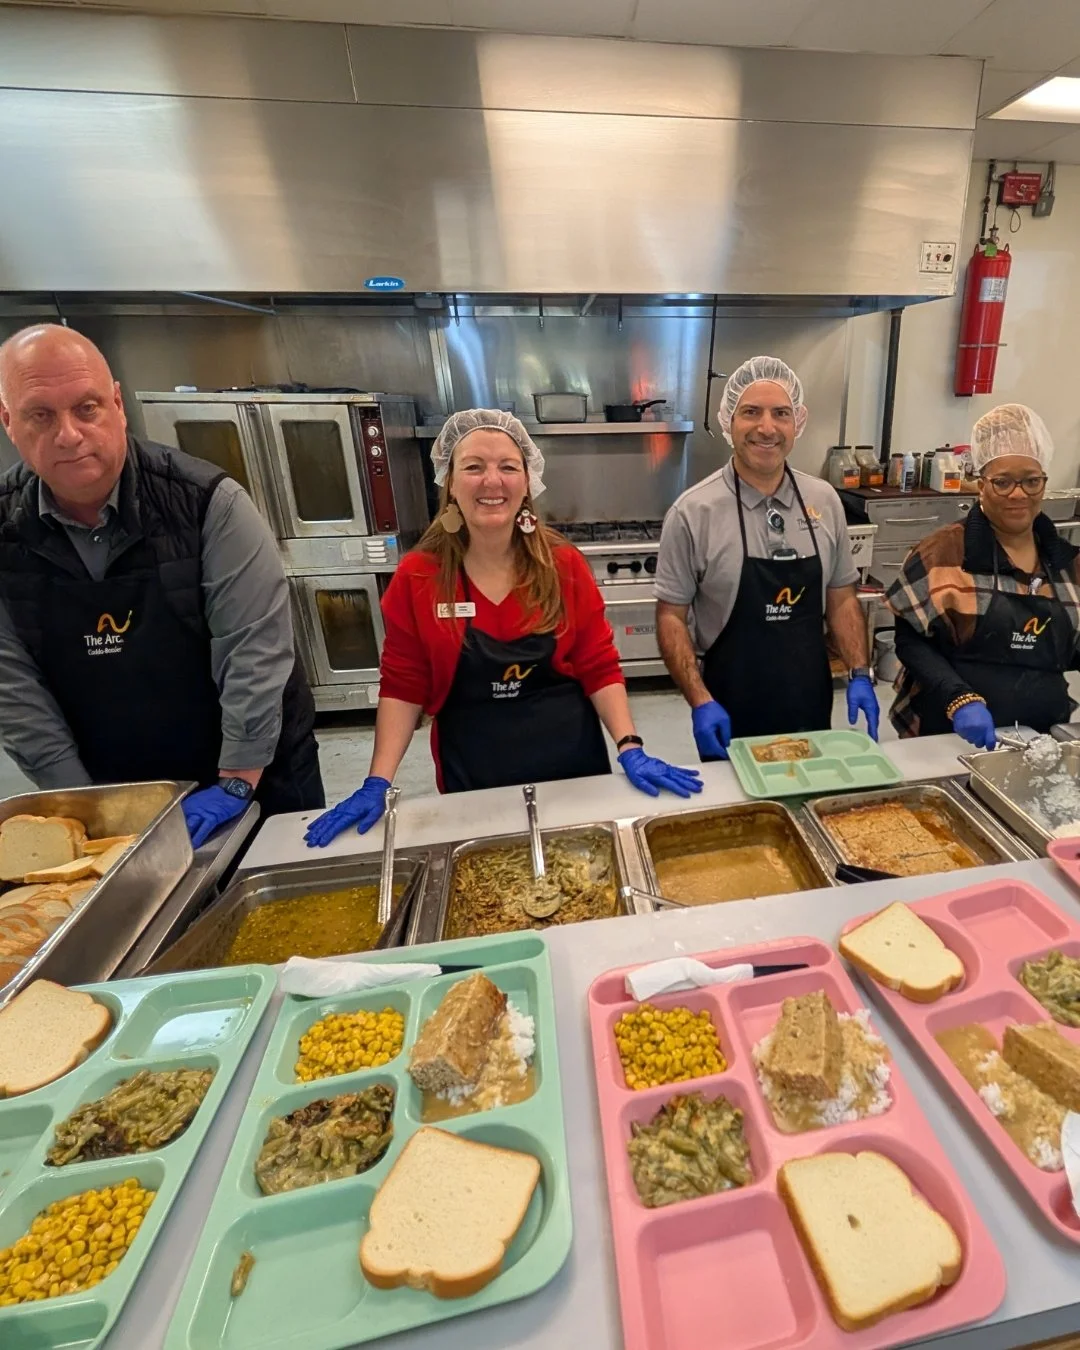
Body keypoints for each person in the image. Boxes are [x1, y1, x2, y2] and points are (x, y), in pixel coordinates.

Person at [305, 408, 700, 845]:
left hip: (571, 766)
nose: (492, 481)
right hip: (472, 772)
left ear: (527, 481)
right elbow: (403, 684)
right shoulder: (419, 576)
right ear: (449, 482)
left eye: (508, 467)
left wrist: (630, 744)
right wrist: (377, 780)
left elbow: (598, 664)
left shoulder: (562, 564)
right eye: (474, 467)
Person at [0, 324, 324, 846]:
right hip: (112, 786)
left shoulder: (207, 504)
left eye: (86, 408)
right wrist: (83, 809)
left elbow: (254, 652)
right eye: (41, 414)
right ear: (9, 422)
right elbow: (12, 690)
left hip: (256, 771)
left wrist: (237, 782)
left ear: (117, 405)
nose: (68, 434)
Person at [655, 355, 878, 759]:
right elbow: (671, 615)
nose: (767, 427)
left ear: (798, 423)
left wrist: (860, 671)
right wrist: (699, 701)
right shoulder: (692, 512)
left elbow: (841, 596)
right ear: (728, 422)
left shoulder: (825, 501)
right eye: (751, 413)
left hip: (809, 702)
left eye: (781, 413)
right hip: (727, 704)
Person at [888, 404, 1080, 748]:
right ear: (981, 485)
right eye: (1002, 482)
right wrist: (959, 698)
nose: (1018, 494)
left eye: (1032, 481)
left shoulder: (1069, 565)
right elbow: (911, 639)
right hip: (950, 733)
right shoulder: (942, 553)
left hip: (1043, 738)